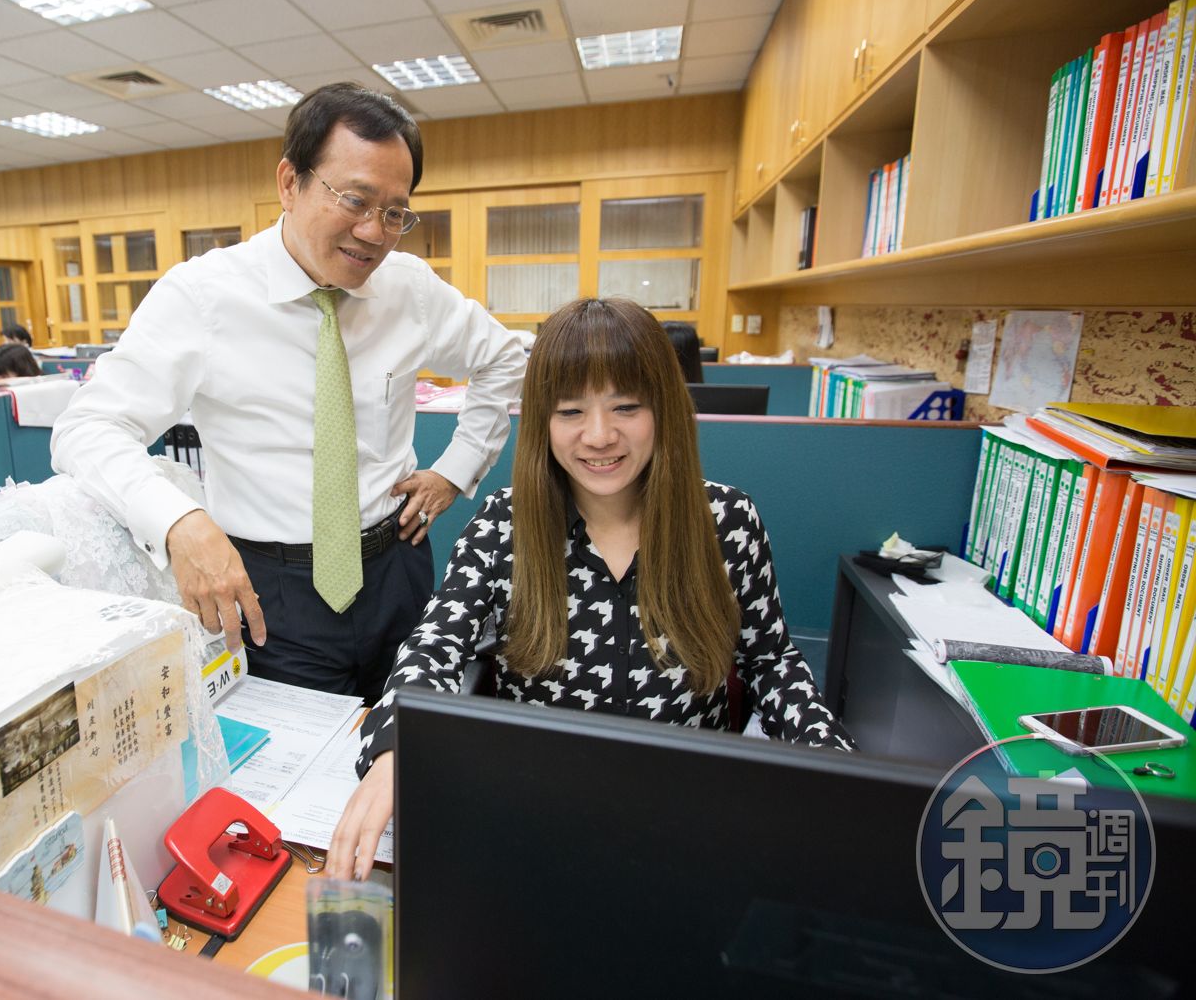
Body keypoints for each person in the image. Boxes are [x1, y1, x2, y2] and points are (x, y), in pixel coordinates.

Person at [326, 298, 853, 881]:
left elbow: (771, 662)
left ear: (664, 408)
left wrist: (832, 762)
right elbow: (434, 644)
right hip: (539, 821)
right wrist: (394, 748)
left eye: (626, 406)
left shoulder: (725, 523)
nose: (599, 436)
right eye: (571, 411)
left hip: (686, 823)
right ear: (543, 421)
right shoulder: (506, 525)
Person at [52, 82, 526, 701]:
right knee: (305, 755)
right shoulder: (202, 296)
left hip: (397, 568)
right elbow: (87, 429)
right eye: (355, 200)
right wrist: (180, 523)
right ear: (289, 183)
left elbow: (502, 359)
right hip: (271, 592)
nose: (374, 232)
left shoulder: (407, 288)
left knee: (410, 739)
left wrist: (456, 468)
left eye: (395, 212)